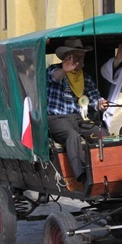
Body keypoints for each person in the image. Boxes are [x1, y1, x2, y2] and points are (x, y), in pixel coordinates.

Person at [46, 38, 109, 186]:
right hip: (56, 118)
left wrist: (100, 104)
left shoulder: (84, 77)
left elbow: (93, 98)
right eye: (76, 55)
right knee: (72, 136)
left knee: (102, 133)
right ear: (67, 57)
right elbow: (54, 78)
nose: (79, 59)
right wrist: (64, 70)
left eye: (81, 55)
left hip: (78, 118)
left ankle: (106, 170)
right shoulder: (53, 69)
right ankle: (82, 176)